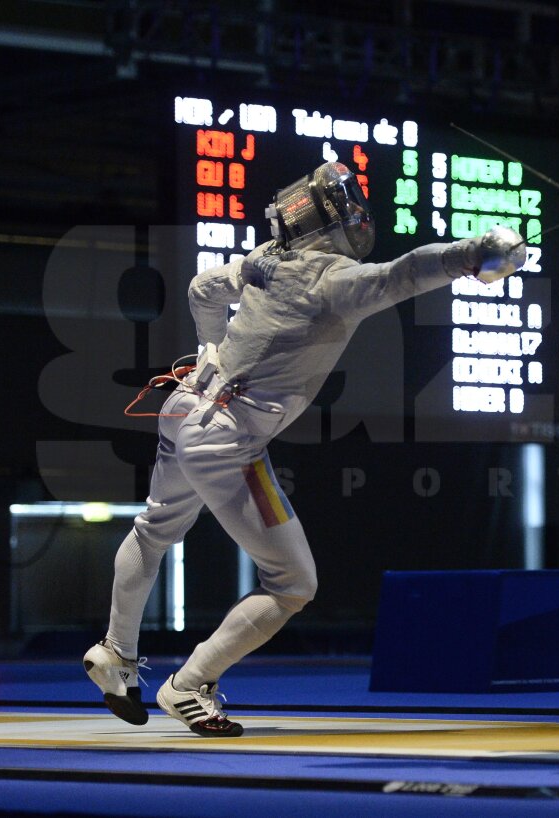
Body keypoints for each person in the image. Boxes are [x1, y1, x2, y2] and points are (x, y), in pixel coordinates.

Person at [84, 161, 526, 736]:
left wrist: (210, 351)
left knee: (152, 530)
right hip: (229, 439)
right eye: (348, 208)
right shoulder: (332, 280)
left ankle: (115, 651)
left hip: (185, 409)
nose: (357, 217)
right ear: (328, 219)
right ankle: (189, 684)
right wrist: (476, 253)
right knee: (293, 584)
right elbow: (405, 272)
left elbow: (200, 289)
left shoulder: (264, 261)